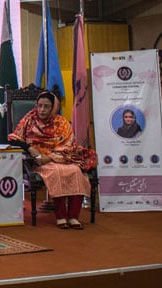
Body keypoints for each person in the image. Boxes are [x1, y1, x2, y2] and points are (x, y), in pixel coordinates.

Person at [8, 91, 98, 229]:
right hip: (38, 160)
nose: (42, 110)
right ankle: (61, 216)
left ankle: (73, 216)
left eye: (46, 106)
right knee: (56, 172)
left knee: (76, 171)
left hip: (61, 158)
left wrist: (50, 157)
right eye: (40, 106)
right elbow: (14, 139)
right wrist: (30, 149)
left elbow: (68, 145)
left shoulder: (61, 122)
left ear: (54, 108)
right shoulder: (29, 119)